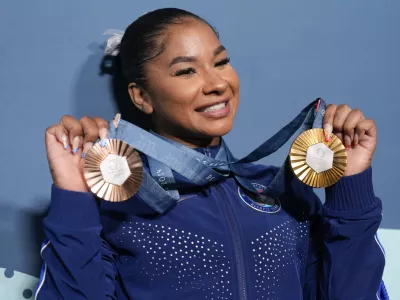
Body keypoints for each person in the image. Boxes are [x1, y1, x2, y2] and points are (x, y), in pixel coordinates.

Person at [36, 7, 388, 300]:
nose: (217, 83)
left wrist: (350, 186)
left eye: (220, 62)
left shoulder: (282, 190)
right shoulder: (119, 200)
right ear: (141, 96)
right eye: (186, 70)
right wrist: (73, 194)